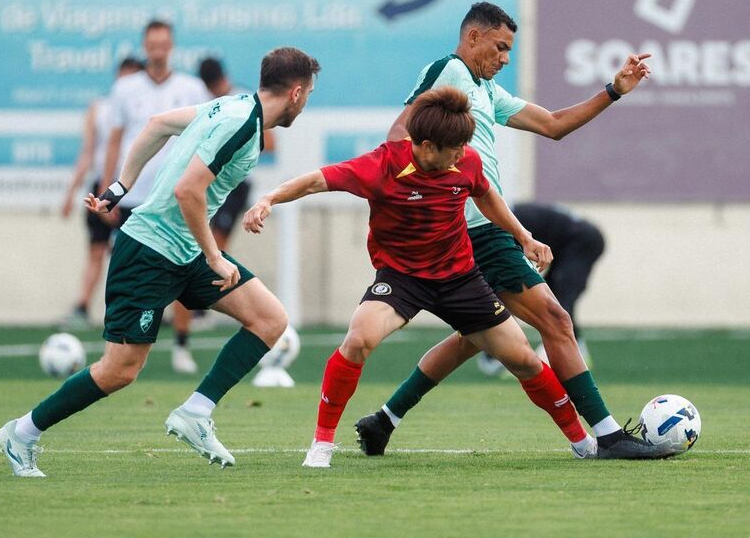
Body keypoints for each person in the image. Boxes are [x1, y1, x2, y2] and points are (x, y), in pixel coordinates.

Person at [354, 1, 665, 460]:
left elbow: (554, 125)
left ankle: (384, 420)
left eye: (510, 50)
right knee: (555, 320)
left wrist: (613, 90)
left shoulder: (487, 90)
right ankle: (606, 434)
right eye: (500, 47)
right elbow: (400, 134)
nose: (504, 58)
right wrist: (420, 202)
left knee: (474, 336)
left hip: (473, 231)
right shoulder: (450, 71)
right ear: (473, 36)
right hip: (475, 230)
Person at [0, 46, 321, 478]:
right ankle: (22, 432)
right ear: (296, 92)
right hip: (150, 252)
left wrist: (118, 186)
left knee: (269, 319)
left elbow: (158, 124)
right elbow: (189, 191)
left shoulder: (235, 105)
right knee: (119, 371)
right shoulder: (242, 123)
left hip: (184, 250)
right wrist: (214, 257)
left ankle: (196, 413)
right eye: (309, 94)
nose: (307, 102)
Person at [243, 87, 602, 469]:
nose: (463, 154)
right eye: (455, 149)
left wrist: (523, 235)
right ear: (427, 147)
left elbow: (486, 195)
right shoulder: (381, 166)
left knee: (525, 361)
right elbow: (315, 180)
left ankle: (583, 442)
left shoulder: (467, 162)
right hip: (402, 278)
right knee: (358, 340)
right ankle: (322, 444)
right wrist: (268, 199)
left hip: (461, 278)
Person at [101, 20, 212, 374]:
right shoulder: (125, 88)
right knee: (131, 274)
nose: (158, 50)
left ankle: (181, 345)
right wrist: (109, 190)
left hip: (175, 196)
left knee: (182, 268)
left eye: (164, 43)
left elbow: (208, 140)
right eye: (152, 44)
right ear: (145, 46)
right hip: (134, 196)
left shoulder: (192, 87)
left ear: (172, 46)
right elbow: (115, 139)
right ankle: (120, 349)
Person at [59, 56, 143, 329]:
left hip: (131, 188)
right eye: (123, 76)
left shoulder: (143, 109)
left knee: (134, 255)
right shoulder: (100, 108)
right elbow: (88, 152)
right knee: (96, 250)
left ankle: (138, 310)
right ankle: (82, 306)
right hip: (102, 187)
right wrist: (71, 193)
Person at [478, 203, 605, 373]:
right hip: (575, 240)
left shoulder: (497, 223)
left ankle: (561, 356)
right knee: (556, 296)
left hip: (583, 240)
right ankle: (576, 351)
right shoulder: (503, 215)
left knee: (560, 298)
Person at [198, 57, 276, 253]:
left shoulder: (245, 100)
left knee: (217, 244)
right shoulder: (208, 104)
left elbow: (270, 143)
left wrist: (232, 146)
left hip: (234, 183)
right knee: (199, 243)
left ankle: (214, 280)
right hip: (208, 180)